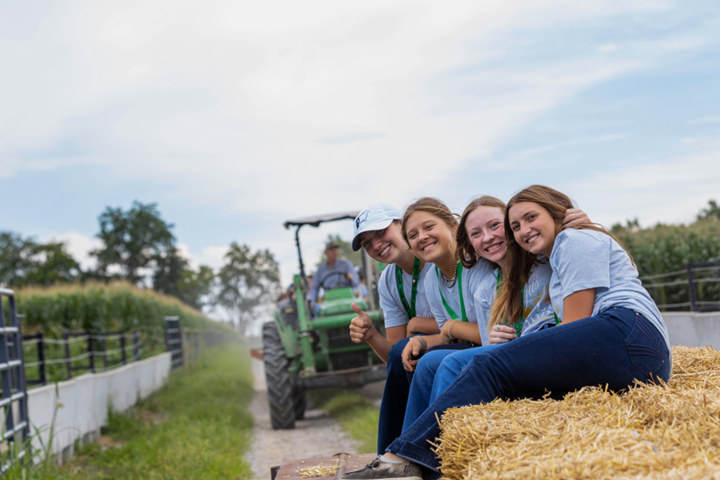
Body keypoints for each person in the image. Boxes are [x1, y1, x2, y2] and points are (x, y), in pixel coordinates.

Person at [344, 185, 671, 480]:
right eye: (516, 225)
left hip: (628, 334)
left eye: (530, 219)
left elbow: (571, 332)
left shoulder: (572, 240)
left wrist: (573, 219)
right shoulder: (537, 258)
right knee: (454, 363)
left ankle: (405, 460)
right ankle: (404, 462)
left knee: (479, 365)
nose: (523, 230)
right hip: (626, 347)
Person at [348, 203, 439, 456]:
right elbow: (396, 356)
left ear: (402, 223)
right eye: (366, 243)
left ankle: (395, 453)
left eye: (380, 232)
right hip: (427, 349)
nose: (375, 245)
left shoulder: (434, 257)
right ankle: (391, 453)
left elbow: (463, 318)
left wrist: (416, 325)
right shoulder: (388, 280)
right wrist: (370, 336)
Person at [309, 242, 359, 308]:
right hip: (329, 298)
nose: (334, 252)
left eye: (335, 249)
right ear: (326, 253)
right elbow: (314, 287)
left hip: (348, 296)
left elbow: (356, 282)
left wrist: (350, 278)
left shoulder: (346, 264)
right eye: (331, 250)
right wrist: (313, 303)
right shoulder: (321, 270)